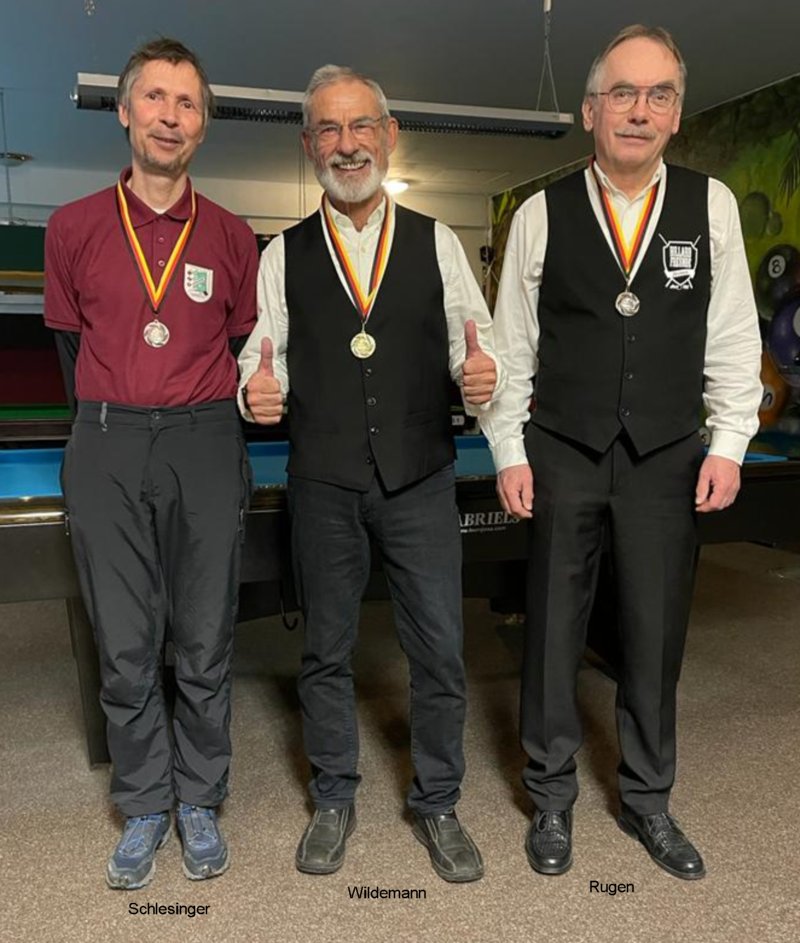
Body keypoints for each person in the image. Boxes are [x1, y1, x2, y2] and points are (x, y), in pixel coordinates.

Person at [481, 24, 762, 880]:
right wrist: (507, 448)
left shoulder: (711, 206)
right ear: (590, 110)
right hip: (562, 447)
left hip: (668, 452)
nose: (640, 111)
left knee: (655, 631)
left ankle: (647, 798)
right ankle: (550, 796)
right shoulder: (541, 213)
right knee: (552, 631)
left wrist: (731, 440)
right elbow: (511, 346)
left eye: (659, 95)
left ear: (676, 113)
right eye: (623, 94)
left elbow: (733, 334)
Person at [239, 65, 501, 883]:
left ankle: (439, 802)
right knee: (325, 651)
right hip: (323, 481)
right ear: (308, 144)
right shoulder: (281, 255)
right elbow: (261, 356)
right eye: (329, 128)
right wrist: (255, 391)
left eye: (360, 126)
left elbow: (475, 345)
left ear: (388, 136)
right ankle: (333, 796)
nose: (346, 144)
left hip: (421, 477)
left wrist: (481, 375)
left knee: (440, 650)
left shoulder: (437, 240)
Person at [44, 38, 258, 889]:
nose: (171, 116)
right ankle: (143, 803)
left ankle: (199, 796)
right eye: (156, 98)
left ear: (203, 125)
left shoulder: (234, 236)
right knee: (126, 640)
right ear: (126, 111)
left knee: (204, 635)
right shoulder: (72, 227)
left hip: (205, 439)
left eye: (188, 102)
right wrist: (117, 416)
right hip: (107, 438)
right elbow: (69, 347)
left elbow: (240, 348)